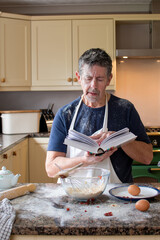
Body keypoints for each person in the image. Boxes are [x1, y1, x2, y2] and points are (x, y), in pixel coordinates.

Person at [46, 48, 153, 183]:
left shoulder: (125, 109)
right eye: (88, 78)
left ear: (109, 79)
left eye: (100, 79)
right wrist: (84, 160)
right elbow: (51, 168)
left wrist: (120, 140)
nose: (93, 85)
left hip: (115, 196)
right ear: (79, 78)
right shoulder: (65, 114)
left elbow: (147, 157)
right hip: (74, 196)